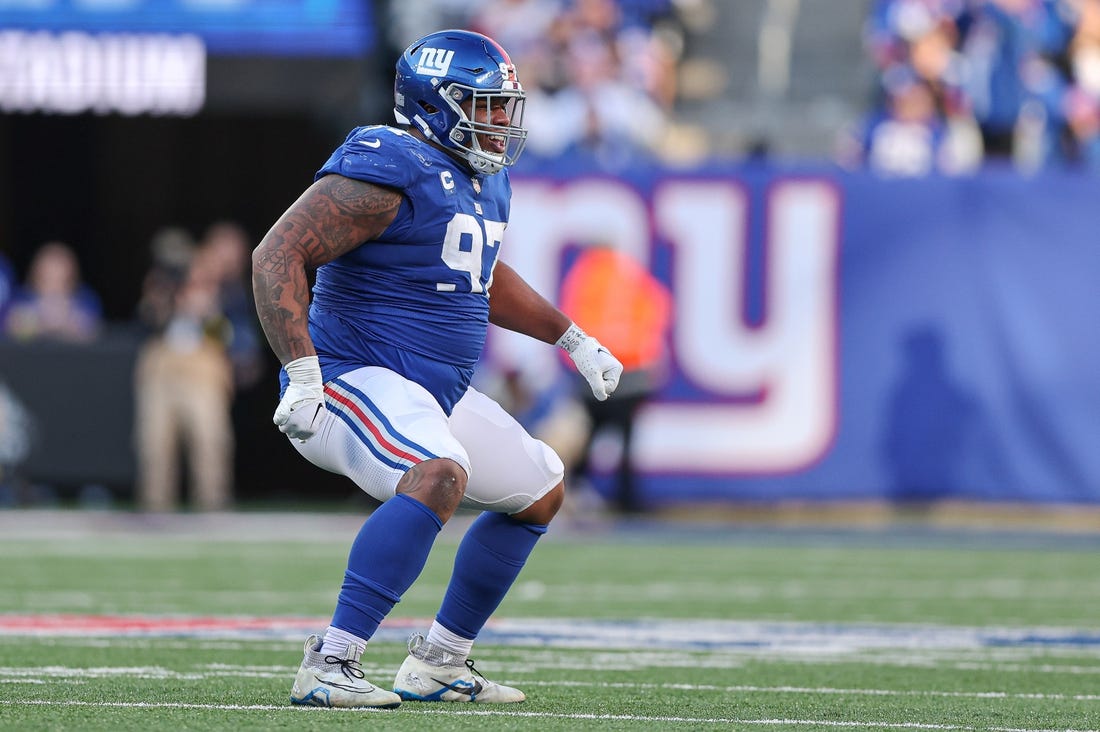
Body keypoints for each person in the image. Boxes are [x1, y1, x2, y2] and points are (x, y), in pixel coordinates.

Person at [251, 29, 623, 709]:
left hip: (426, 391)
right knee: (439, 473)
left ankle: (440, 661)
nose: (500, 121)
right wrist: (302, 371)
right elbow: (277, 255)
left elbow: (476, 270)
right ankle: (331, 662)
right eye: (483, 105)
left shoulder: (485, 181)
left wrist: (570, 337)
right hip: (346, 377)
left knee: (539, 486)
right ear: (433, 103)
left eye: (503, 106)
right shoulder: (390, 161)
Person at [558, 245, 672, 513]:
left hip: (595, 374)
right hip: (632, 375)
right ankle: (627, 499)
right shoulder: (630, 275)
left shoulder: (585, 277)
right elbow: (657, 308)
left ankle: (575, 490)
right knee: (626, 440)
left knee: (588, 436)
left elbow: (572, 323)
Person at [133, 227, 235, 512]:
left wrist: (204, 310)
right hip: (162, 368)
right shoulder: (158, 286)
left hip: (202, 370)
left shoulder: (215, 291)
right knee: (155, 443)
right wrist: (163, 302)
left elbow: (226, 338)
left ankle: (213, 504)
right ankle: (155, 506)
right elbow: (143, 328)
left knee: (209, 440)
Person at [2, 241, 102, 342]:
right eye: (47, 278)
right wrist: (42, 321)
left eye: (61, 280)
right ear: (36, 275)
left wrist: (66, 321)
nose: (54, 287)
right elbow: (10, 327)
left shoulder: (85, 299)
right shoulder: (22, 298)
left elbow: (94, 331)